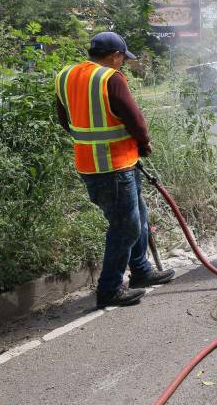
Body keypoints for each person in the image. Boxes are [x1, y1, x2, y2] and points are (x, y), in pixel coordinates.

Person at [55, 32, 174, 308]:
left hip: (93, 165)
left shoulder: (65, 76)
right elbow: (136, 120)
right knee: (126, 226)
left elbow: (65, 121)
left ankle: (141, 271)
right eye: (122, 58)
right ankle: (109, 288)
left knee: (138, 215)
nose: (122, 64)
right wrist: (143, 143)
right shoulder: (111, 78)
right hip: (113, 167)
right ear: (114, 56)